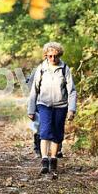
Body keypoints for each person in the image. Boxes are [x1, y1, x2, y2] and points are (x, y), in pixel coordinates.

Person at [27, 42, 77, 178]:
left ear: (59, 55)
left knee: (57, 133)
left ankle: (53, 160)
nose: (53, 59)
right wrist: (31, 109)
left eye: (55, 56)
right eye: (50, 56)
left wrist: (72, 109)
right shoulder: (41, 68)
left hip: (61, 105)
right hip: (44, 104)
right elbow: (34, 90)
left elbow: (71, 90)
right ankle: (44, 161)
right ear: (46, 56)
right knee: (44, 132)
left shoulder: (64, 68)